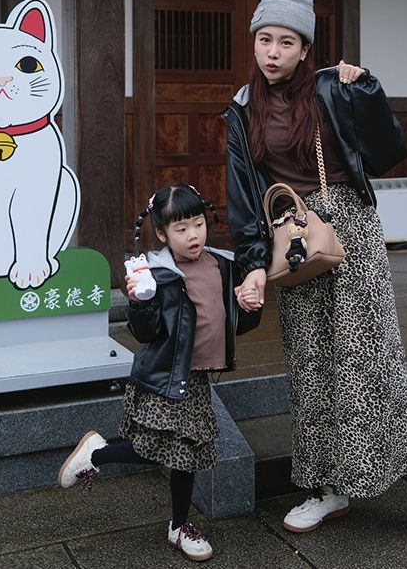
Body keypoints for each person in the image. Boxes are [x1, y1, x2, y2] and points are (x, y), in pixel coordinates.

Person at [222, 0, 407, 550]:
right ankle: (329, 487)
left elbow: (387, 154)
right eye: (264, 39)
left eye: (286, 42)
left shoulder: (331, 88)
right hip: (293, 240)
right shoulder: (241, 107)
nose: (273, 52)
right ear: (254, 43)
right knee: (311, 367)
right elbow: (243, 194)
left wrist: (369, 93)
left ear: (306, 48)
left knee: (373, 360)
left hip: (349, 232)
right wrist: (253, 264)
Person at [57, 183, 260, 562]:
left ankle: (177, 526)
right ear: (163, 234)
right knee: (159, 449)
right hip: (164, 376)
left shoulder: (222, 264)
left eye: (198, 224)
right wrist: (140, 302)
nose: (193, 235)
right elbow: (145, 333)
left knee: (184, 454)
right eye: (181, 229)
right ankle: (97, 454)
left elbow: (236, 324)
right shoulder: (157, 273)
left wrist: (249, 306)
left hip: (195, 379)